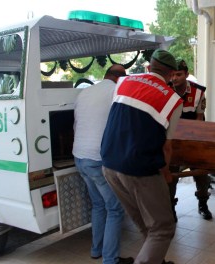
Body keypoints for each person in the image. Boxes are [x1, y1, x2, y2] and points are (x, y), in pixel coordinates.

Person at [101, 49, 183, 264]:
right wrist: (165, 173)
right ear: (172, 74)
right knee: (163, 227)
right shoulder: (173, 100)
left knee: (145, 222)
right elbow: (167, 146)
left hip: (109, 164)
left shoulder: (123, 82)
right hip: (139, 169)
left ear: (149, 65)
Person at [72, 64, 133, 264]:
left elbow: (76, 124)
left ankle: (96, 250)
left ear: (106, 75)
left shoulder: (85, 92)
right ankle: (110, 259)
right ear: (120, 78)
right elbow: (123, 127)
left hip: (79, 157)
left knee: (99, 205)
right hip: (98, 160)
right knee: (115, 209)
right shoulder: (118, 91)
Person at [168, 59, 212, 221]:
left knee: (201, 174)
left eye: (179, 75)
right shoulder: (165, 90)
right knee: (171, 176)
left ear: (186, 74)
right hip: (172, 141)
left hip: (195, 139)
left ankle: (203, 203)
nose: (175, 78)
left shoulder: (198, 92)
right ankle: (170, 207)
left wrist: (192, 142)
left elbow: (199, 120)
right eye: (172, 75)